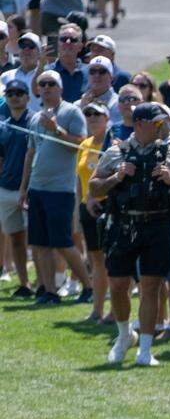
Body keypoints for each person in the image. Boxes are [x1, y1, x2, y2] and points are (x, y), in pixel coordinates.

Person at [87, 103, 170, 366]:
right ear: (140, 124)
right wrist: (116, 177)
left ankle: (145, 349)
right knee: (118, 285)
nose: (163, 126)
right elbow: (95, 187)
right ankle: (125, 335)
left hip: (157, 226)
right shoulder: (116, 152)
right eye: (157, 122)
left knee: (151, 286)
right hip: (123, 226)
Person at [17, 68, 91, 304]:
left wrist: (56, 130)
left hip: (60, 189)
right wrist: (23, 187)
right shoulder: (36, 117)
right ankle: (49, 291)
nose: (46, 88)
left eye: (50, 84)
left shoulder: (71, 112)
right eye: (42, 84)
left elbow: (79, 146)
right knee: (40, 243)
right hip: (37, 187)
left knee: (62, 242)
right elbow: (30, 152)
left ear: (60, 88)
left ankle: (88, 286)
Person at [75, 100, 109, 321]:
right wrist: (79, 208)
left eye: (98, 115)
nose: (93, 118)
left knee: (109, 260)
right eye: (88, 115)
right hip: (87, 207)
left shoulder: (110, 144)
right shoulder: (85, 144)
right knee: (95, 260)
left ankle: (115, 310)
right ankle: (97, 309)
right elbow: (79, 179)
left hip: (105, 205)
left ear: (107, 118)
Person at [0, 78, 32, 297]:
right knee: (16, 239)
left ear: (27, 97)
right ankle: (24, 284)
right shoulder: (3, 126)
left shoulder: (34, 122)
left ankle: (47, 284)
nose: (14, 96)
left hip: (31, 190)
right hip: (6, 189)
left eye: (19, 93)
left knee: (37, 240)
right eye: (10, 93)